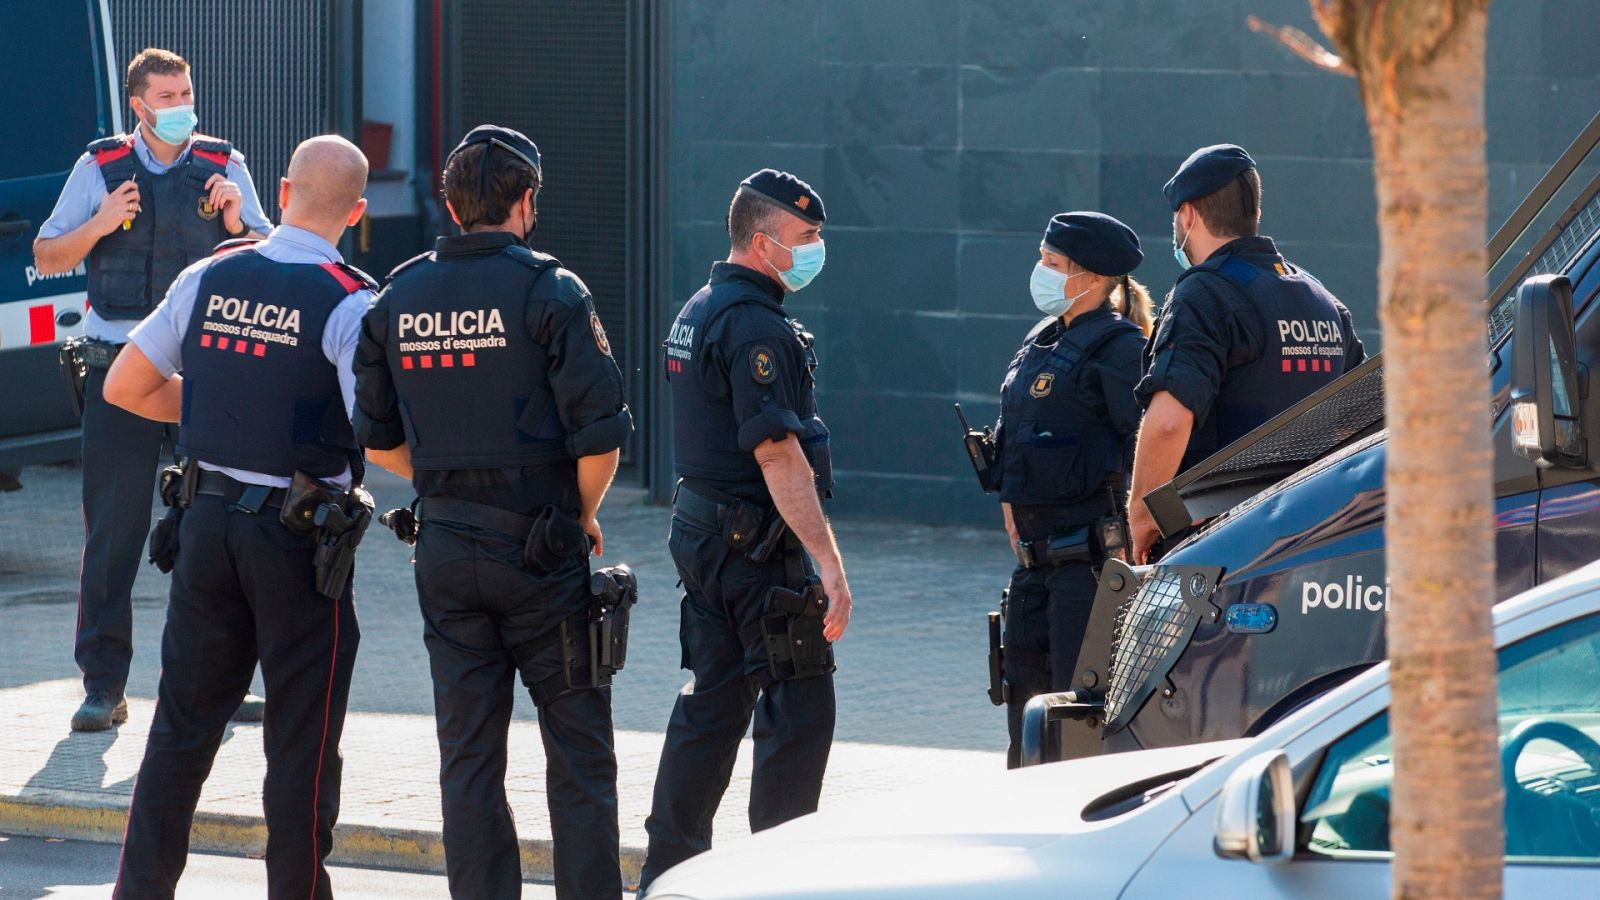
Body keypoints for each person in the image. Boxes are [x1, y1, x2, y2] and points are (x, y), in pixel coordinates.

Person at [353, 124, 633, 900]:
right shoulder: (551, 290)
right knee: (578, 754)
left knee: (468, 758)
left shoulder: (397, 293)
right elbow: (603, 437)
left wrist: (442, 480)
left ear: (447, 203)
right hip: (541, 551)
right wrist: (578, 516)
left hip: (443, 548)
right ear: (526, 201)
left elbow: (377, 443)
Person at [101, 134, 374, 899]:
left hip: (204, 528)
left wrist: (225, 404)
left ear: (282, 191)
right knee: (302, 744)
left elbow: (126, 385)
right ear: (356, 211)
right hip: (295, 544)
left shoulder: (209, 272)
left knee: (179, 734)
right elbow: (378, 434)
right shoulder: (352, 297)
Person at [32, 47, 272, 732]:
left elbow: (276, 256)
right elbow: (47, 255)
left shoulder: (224, 165)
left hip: (207, 374)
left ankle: (224, 682)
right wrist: (100, 222)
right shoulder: (99, 168)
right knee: (114, 530)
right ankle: (103, 687)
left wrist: (240, 229)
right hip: (118, 369)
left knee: (227, 525)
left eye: (187, 92)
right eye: (167, 97)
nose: (181, 108)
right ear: (138, 106)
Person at [638, 169, 854, 892]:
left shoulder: (699, 308)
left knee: (711, 705)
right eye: (806, 238)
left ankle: (668, 875)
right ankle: (778, 882)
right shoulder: (757, 325)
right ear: (764, 243)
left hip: (704, 544)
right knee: (798, 716)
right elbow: (775, 450)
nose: (816, 249)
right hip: (758, 556)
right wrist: (827, 558)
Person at [1129, 144, 1365, 563]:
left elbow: (1168, 422)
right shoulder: (1320, 297)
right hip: (1309, 534)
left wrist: (1142, 518)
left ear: (1188, 216)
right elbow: (1361, 418)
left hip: (1219, 542)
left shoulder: (1203, 294)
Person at [989, 212, 1151, 768]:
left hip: (1088, 575)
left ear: (1092, 278)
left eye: (1051, 264)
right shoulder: (1041, 339)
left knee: (1079, 731)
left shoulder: (1120, 349)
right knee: (1027, 729)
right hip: (1033, 572)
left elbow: (1147, 447)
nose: (1040, 271)